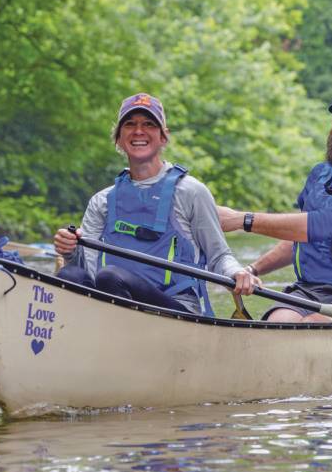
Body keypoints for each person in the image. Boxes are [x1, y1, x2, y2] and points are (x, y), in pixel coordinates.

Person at [215, 87, 332, 323]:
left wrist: (241, 220)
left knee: (311, 324)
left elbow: (324, 224)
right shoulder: (319, 175)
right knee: (279, 321)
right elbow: (299, 238)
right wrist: (252, 270)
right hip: (310, 291)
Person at [53, 93, 259, 314]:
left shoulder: (191, 192)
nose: (139, 131)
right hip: (111, 301)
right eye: (130, 124)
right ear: (119, 138)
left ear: (163, 137)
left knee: (110, 276)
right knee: (69, 275)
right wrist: (70, 253)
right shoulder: (101, 201)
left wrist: (237, 273)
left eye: (149, 124)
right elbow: (87, 275)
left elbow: (219, 256)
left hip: (176, 307)